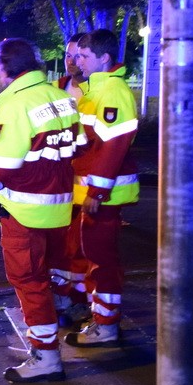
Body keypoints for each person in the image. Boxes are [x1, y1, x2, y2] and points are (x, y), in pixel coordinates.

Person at [0, 38, 83, 382]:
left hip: (24, 211)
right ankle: (56, 325)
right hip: (59, 207)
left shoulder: (14, 106)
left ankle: (45, 357)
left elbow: (1, 166)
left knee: (29, 281)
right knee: (51, 275)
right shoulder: (61, 98)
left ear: (3, 66)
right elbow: (78, 144)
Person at [63, 29, 139, 348]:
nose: (77, 61)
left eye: (84, 55)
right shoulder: (97, 90)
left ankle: (106, 324)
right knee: (94, 255)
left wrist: (97, 191)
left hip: (103, 195)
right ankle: (102, 318)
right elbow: (90, 142)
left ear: (103, 58)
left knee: (101, 258)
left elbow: (114, 146)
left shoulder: (113, 91)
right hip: (95, 192)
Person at [50, 31, 93, 326]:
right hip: (58, 182)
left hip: (86, 184)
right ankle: (62, 295)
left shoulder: (96, 92)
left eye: (77, 55)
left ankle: (81, 300)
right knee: (58, 246)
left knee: (81, 249)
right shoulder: (57, 88)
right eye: (67, 55)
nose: (71, 61)